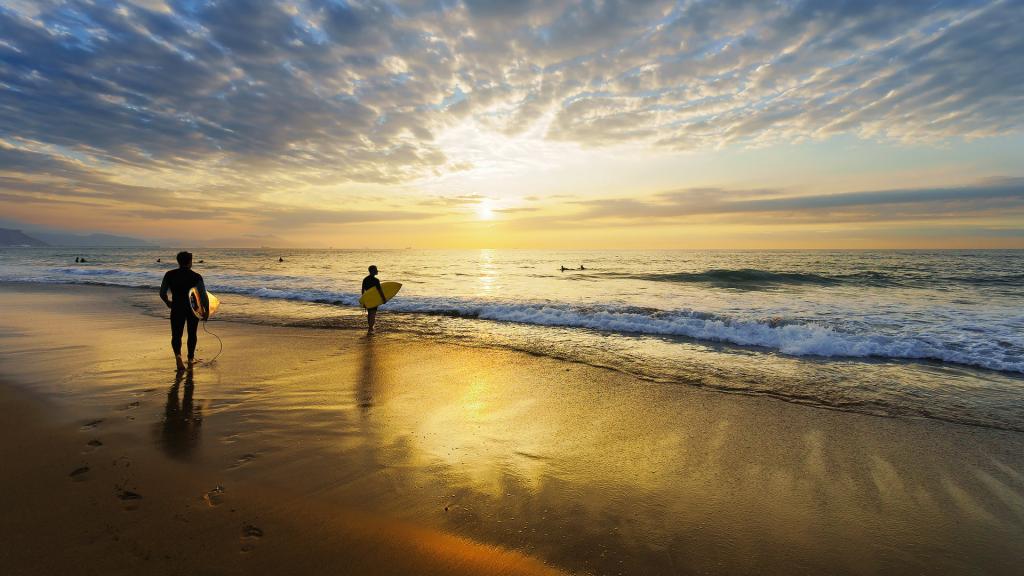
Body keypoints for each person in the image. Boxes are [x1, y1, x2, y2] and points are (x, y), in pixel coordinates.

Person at [160, 251, 208, 371]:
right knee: (192, 334)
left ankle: (178, 357)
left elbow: (162, 292)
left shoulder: (169, 274)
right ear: (190, 262)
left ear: (178, 261)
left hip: (176, 307)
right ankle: (191, 359)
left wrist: (167, 302)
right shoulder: (196, 276)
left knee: (176, 335)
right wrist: (206, 311)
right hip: (193, 309)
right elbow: (203, 295)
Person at [361, 265, 387, 334]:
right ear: (372, 271)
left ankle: (370, 327)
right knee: (373, 314)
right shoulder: (376, 280)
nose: (377, 271)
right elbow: (379, 290)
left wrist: (363, 300)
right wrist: (383, 299)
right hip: (374, 298)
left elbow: (363, 290)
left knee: (370, 313)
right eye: (376, 270)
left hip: (367, 298)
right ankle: (370, 328)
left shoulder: (365, 279)